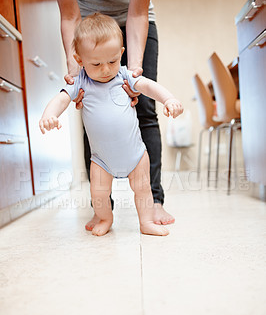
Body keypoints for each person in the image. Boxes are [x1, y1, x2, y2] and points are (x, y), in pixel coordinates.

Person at [39, 13, 183, 237]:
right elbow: (61, 98)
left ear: (121, 54)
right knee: (99, 192)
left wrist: (169, 99)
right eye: (96, 63)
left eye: (112, 61)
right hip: (101, 160)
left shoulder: (125, 76)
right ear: (80, 60)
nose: (106, 69)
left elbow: (149, 86)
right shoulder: (81, 82)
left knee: (143, 189)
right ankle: (105, 217)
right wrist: (49, 114)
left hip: (135, 156)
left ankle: (146, 222)